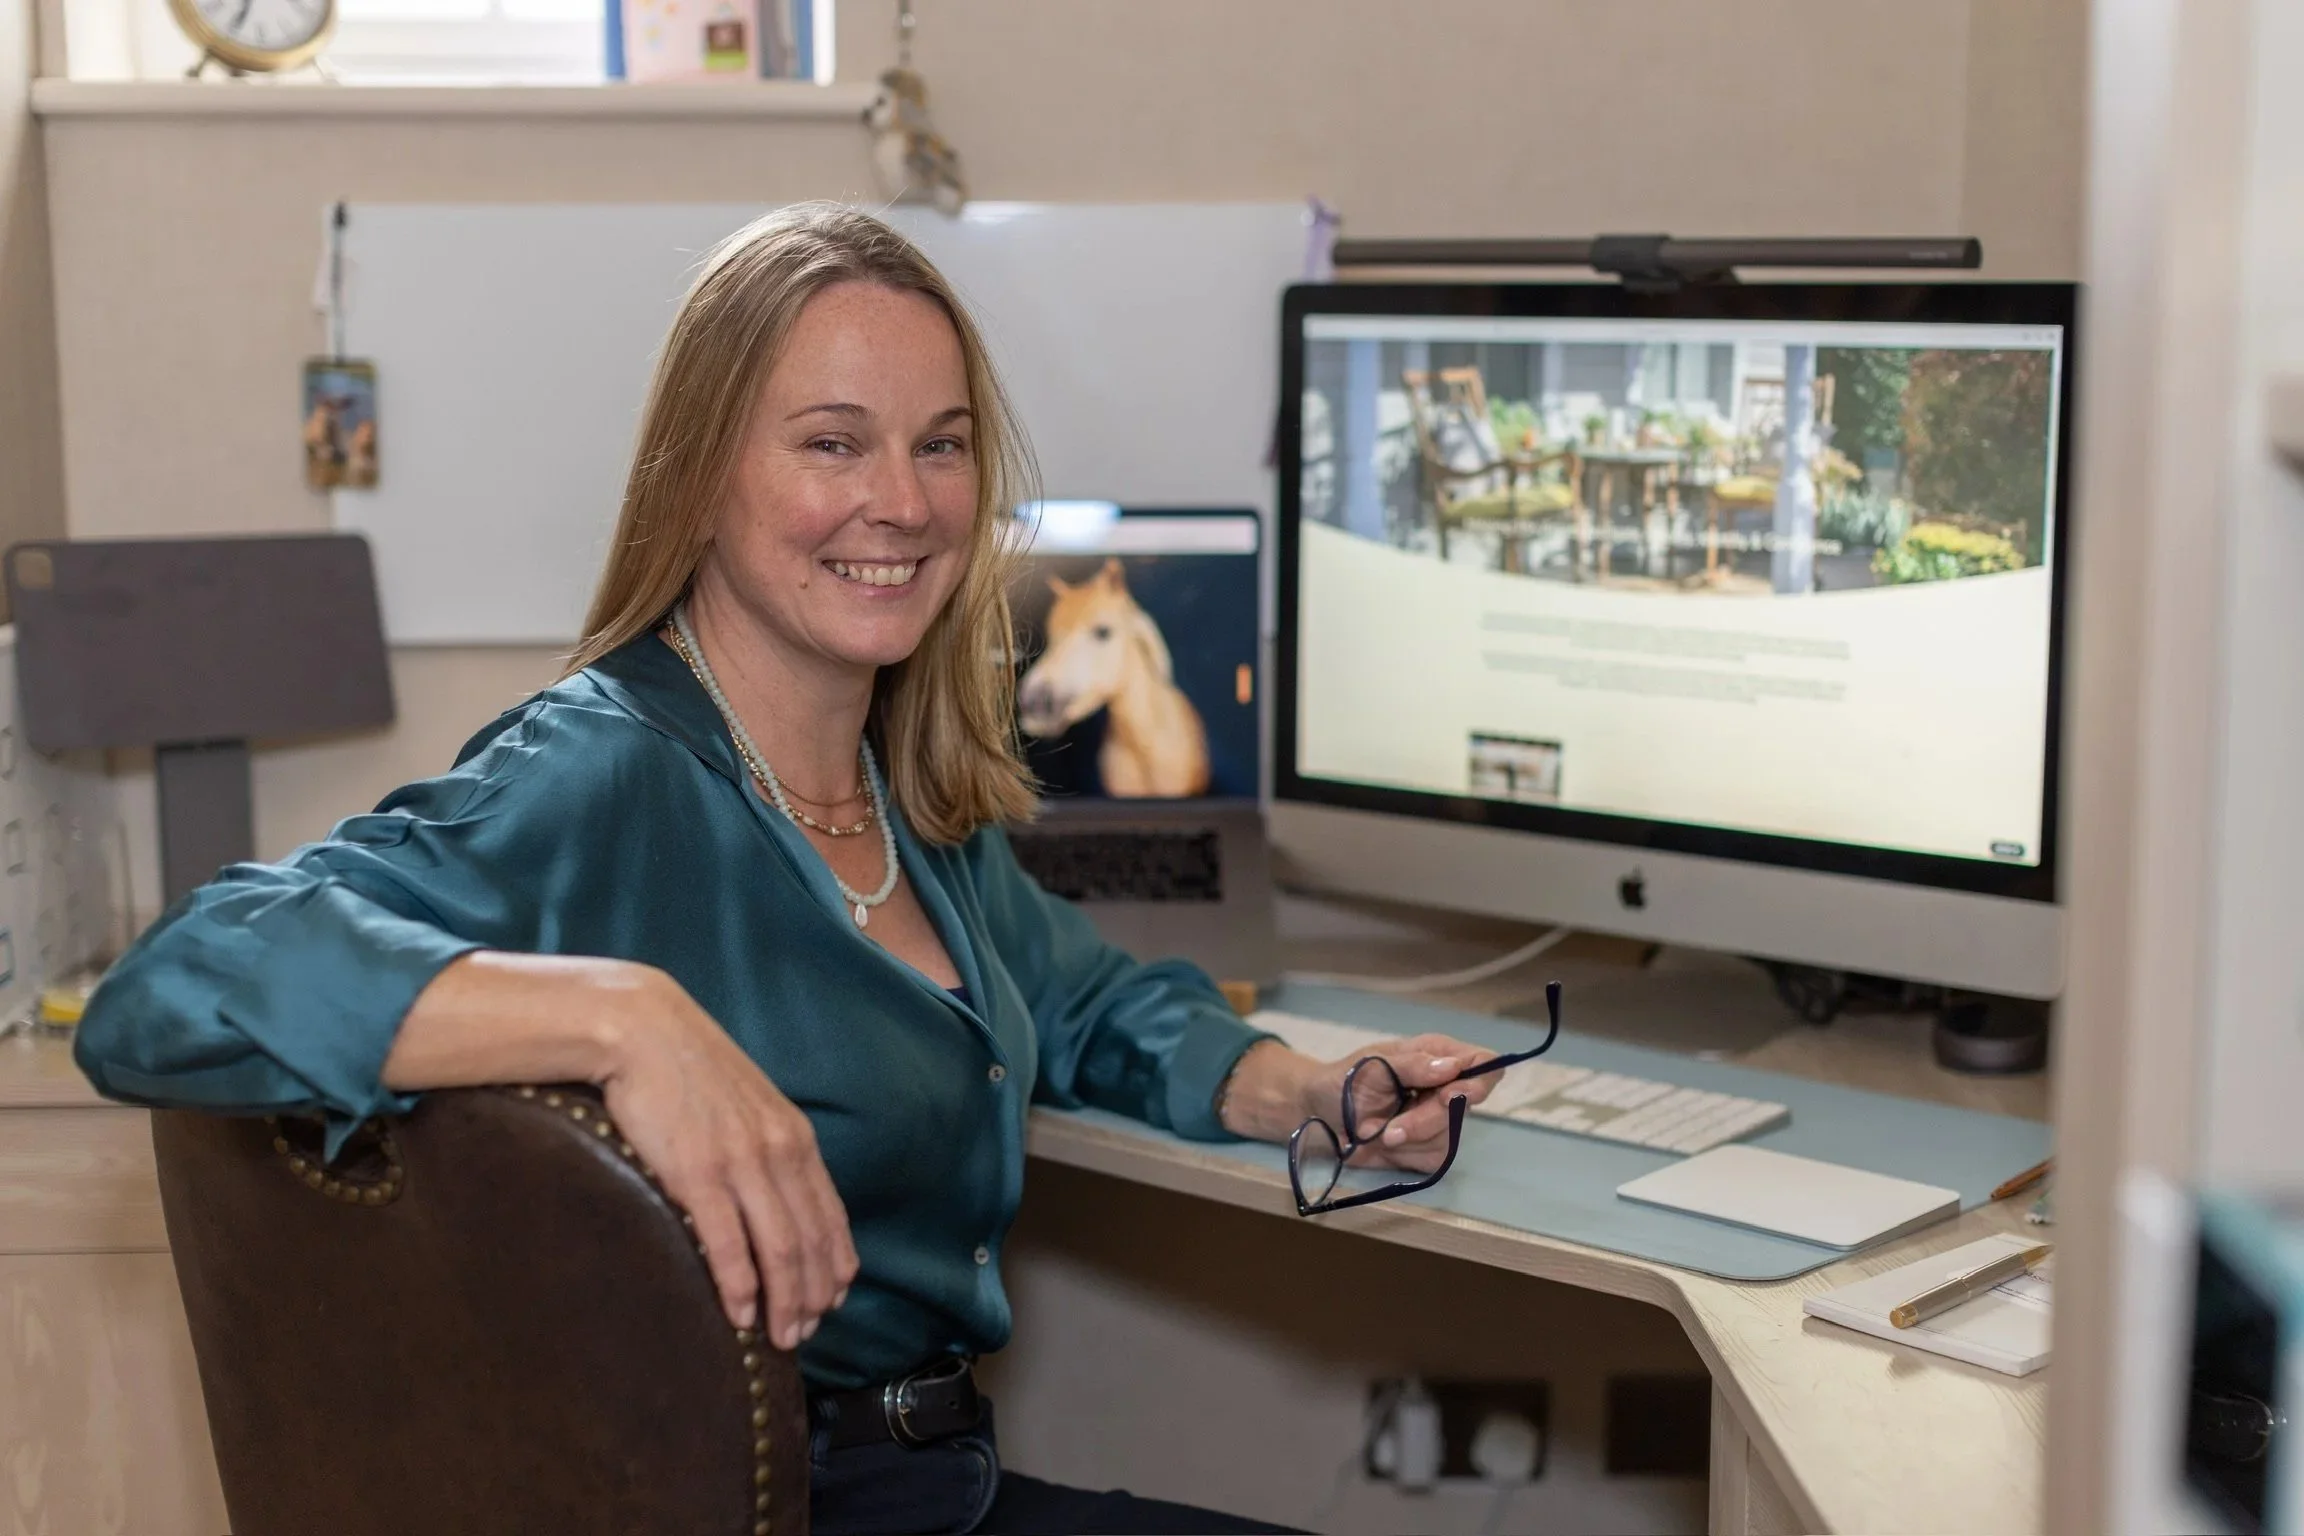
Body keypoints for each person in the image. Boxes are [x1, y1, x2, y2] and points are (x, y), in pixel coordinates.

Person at [76, 203, 1499, 1536]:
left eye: (940, 446)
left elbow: (1073, 1005)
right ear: (702, 474)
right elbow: (177, 982)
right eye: (832, 444)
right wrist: (625, 1023)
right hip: (748, 1501)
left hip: (936, 1483)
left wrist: (1307, 1092)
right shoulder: (606, 771)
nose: (902, 501)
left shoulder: (901, 786)